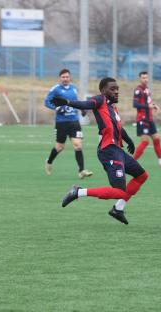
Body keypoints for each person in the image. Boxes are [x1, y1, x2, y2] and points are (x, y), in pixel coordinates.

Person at [51, 77, 148, 225]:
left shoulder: (112, 108)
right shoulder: (100, 100)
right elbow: (86, 104)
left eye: (117, 89)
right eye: (112, 89)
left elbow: (118, 127)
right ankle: (78, 192)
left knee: (142, 176)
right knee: (119, 191)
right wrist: (68, 102)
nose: (116, 92)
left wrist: (128, 140)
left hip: (118, 151)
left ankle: (118, 209)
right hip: (108, 151)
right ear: (103, 91)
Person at [44, 68, 93, 179]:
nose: (65, 79)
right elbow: (46, 102)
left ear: (70, 77)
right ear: (60, 78)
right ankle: (49, 161)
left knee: (78, 145)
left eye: (67, 77)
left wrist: (82, 108)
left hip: (74, 121)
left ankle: (81, 171)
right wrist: (56, 108)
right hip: (61, 123)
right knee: (60, 147)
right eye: (63, 77)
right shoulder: (55, 89)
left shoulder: (73, 88)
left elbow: (75, 101)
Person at [132, 71, 161, 167]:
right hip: (142, 119)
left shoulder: (147, 89)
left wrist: (153, 106)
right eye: (143, 78)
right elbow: (135, 104)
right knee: (145, 142)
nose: (145, 79)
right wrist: (148, 106)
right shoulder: (138, 90)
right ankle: (131, 162)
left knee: (157, 139)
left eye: (146, 77)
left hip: (149, 119)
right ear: (139, 78)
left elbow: (148, 103)